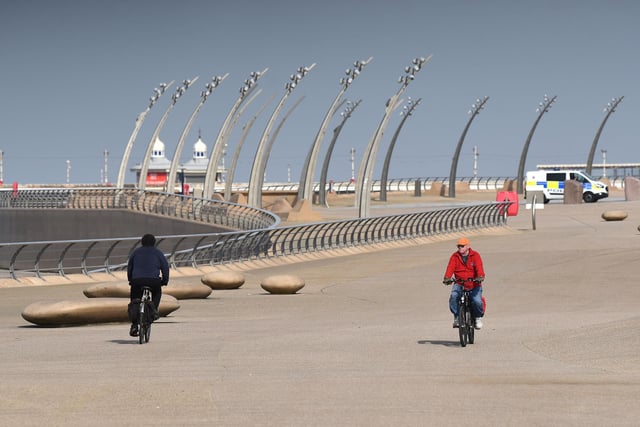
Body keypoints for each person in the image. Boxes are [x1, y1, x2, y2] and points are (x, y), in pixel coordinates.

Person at [127, 233, 169, 337]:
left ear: (142, 242)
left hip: (137, 280)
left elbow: (130, 268)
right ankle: (154, 310)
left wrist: (131, 280)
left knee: (135, 300)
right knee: (157, 292)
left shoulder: (135, 252)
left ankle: (134, 325)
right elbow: (165, 268)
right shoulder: (158, 253)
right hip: (153, 281)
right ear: (154, 243)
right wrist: (165, 281)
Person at [442, 237, 485, 329]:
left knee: (477, 301)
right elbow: (450, 268)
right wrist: (447, 278)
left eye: (462, 246)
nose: (460, 248)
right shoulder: (455, 256)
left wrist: (480, 276)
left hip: (474, 284)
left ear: (468, 246)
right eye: (458, 246)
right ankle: (457, 317)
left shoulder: (475, 255)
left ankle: (477, 318)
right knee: (453, 296)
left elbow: (479, 267)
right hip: (459, 283)